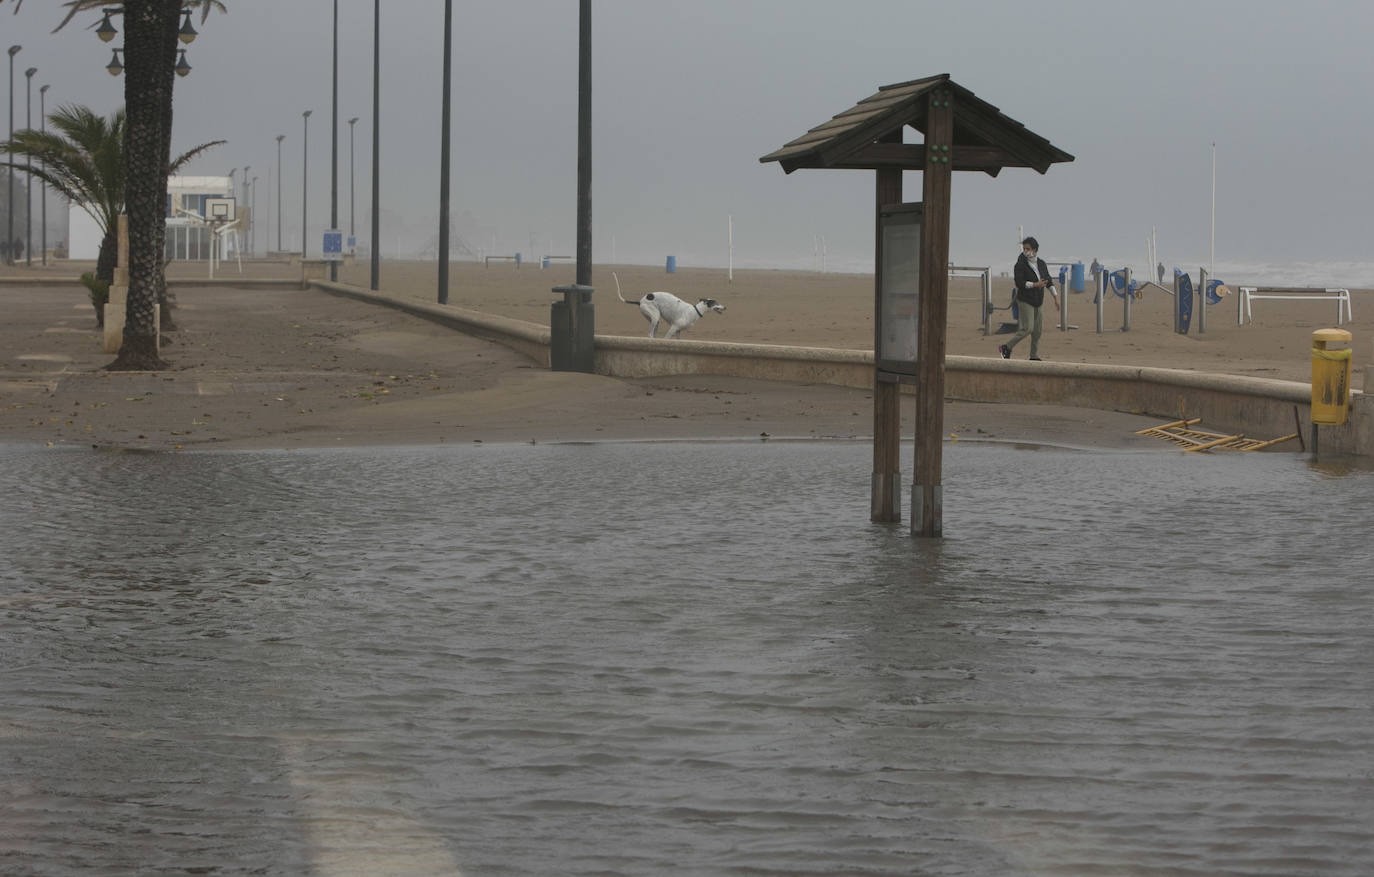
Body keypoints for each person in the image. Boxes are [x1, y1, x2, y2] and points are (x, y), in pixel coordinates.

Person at [999, 236, 1058, 361]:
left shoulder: (1041, 263)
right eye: (1024, 249)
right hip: (1025, 300)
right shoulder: (1020, 264)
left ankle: (1034, 355)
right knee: (1027, 328)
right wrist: (1035, 284)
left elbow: (1048, 280)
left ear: (1035, 250)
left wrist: (1055, 297)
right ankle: (1006, 347)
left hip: (1038, 300)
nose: (1026, 251)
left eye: (1028, 249)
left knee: (1037, 331)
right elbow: (1019, 282)